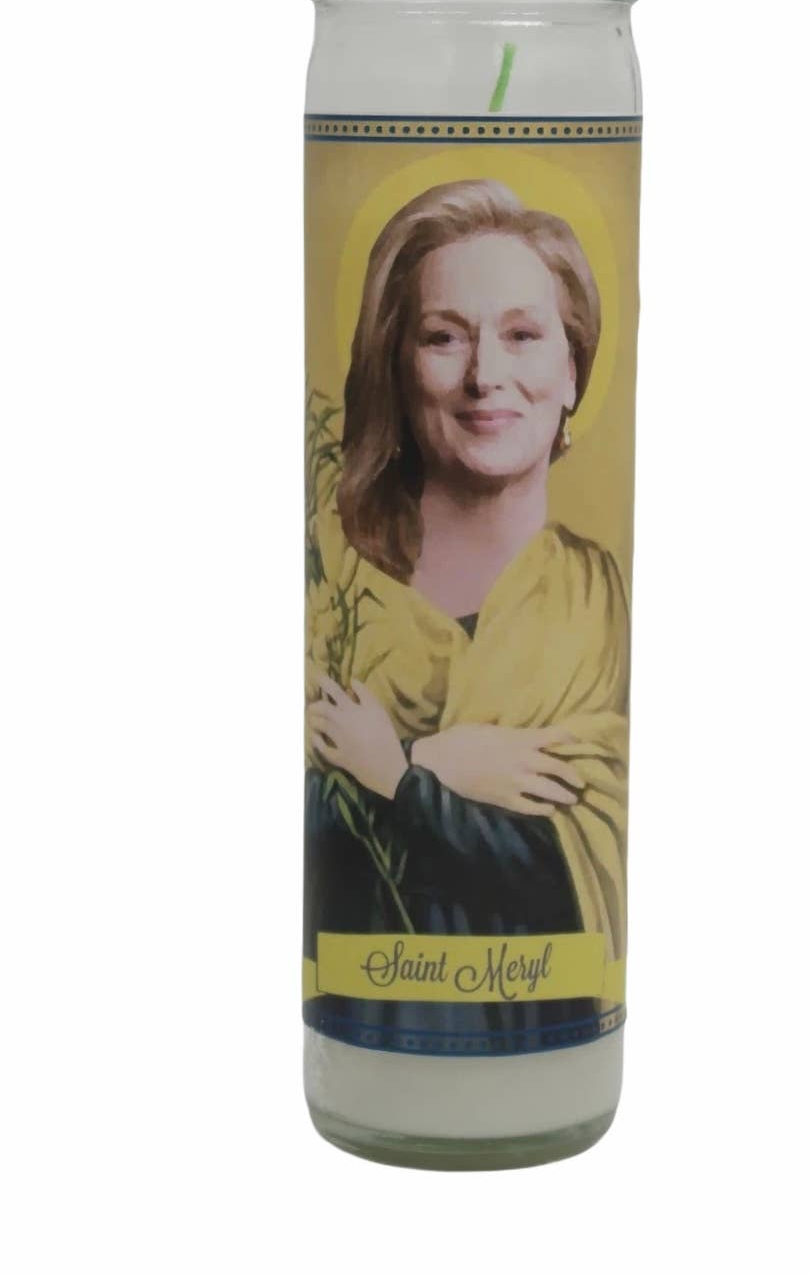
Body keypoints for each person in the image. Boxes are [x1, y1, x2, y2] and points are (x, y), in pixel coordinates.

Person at [303, 179, 629, 1053]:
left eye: (523, 335)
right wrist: (444, 772)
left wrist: (406, 771)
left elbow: (572, 878)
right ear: (395, 365)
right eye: (444, 337)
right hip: (369, 1030)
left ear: (573, 370)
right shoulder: (337, 589)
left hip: (546, 1033)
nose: (486, 376)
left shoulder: (595, 604)